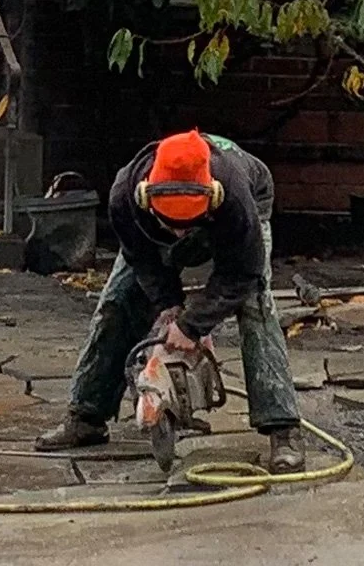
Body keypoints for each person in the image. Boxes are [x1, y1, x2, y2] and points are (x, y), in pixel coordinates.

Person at [35, 129, 305, 472]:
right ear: (147, 197)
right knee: (116, 302)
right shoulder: (124, 196)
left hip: (239, 210)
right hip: (156, 228)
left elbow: (241, 272)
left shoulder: (235, 196)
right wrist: (169, 308)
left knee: (256, 305)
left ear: (213, 194)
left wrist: (195, 325)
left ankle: (283, 429)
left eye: (187, 222)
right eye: (172, 221)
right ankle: (86, 416)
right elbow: (143, 260)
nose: (180, 233)